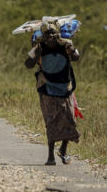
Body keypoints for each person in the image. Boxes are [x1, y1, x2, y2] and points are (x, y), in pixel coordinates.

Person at [25, 21, 80, 166]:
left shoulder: (66, 45)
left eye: (53, 33)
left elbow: (76, 57)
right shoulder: (39, 48)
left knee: (69, 120)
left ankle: (63, 149)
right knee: (51, 121)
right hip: (47, 88)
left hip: (64, 89)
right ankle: (50, 156)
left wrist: (72, 50)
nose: (50, 37)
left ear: (57, 34)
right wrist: (35, 55)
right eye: (47, 34)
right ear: (43, 36)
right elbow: (27, 64)